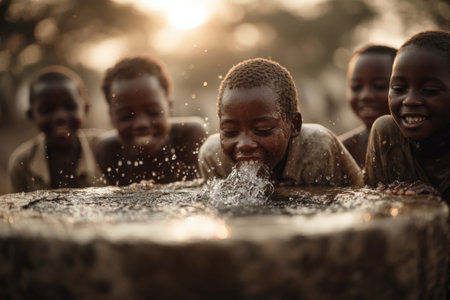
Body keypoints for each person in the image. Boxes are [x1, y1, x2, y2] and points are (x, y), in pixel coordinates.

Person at [199, 58, 363, 187]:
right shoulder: (214, 157)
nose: (244, 145)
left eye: (263, 129)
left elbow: (352, 199)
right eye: (229, 131)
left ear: (294, 125)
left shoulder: (316, 147)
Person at [365, 30, 450, 201]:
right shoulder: (387, 136)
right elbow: (372, 204)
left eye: (430, 90)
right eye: (398, 89)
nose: (410, 101)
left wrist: (434, 200)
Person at [96, 56, 207, 186]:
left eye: (153, 112)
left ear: (170, 107)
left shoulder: (189, 136)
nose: (142, 124)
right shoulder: (108, 151)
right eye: (126, 116)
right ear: (111, 116)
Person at [8, 66, 104, 193]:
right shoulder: (22, 162)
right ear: (31, 115)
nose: (60, 117)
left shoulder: (103, 148)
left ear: (85, 109)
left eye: (70, 106)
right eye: (46, 109)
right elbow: (17, 210)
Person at [339, 44, 397, 168]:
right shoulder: (341, 149)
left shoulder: (419, 146)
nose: (366, 96)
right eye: (356, 87)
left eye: (380, 86)